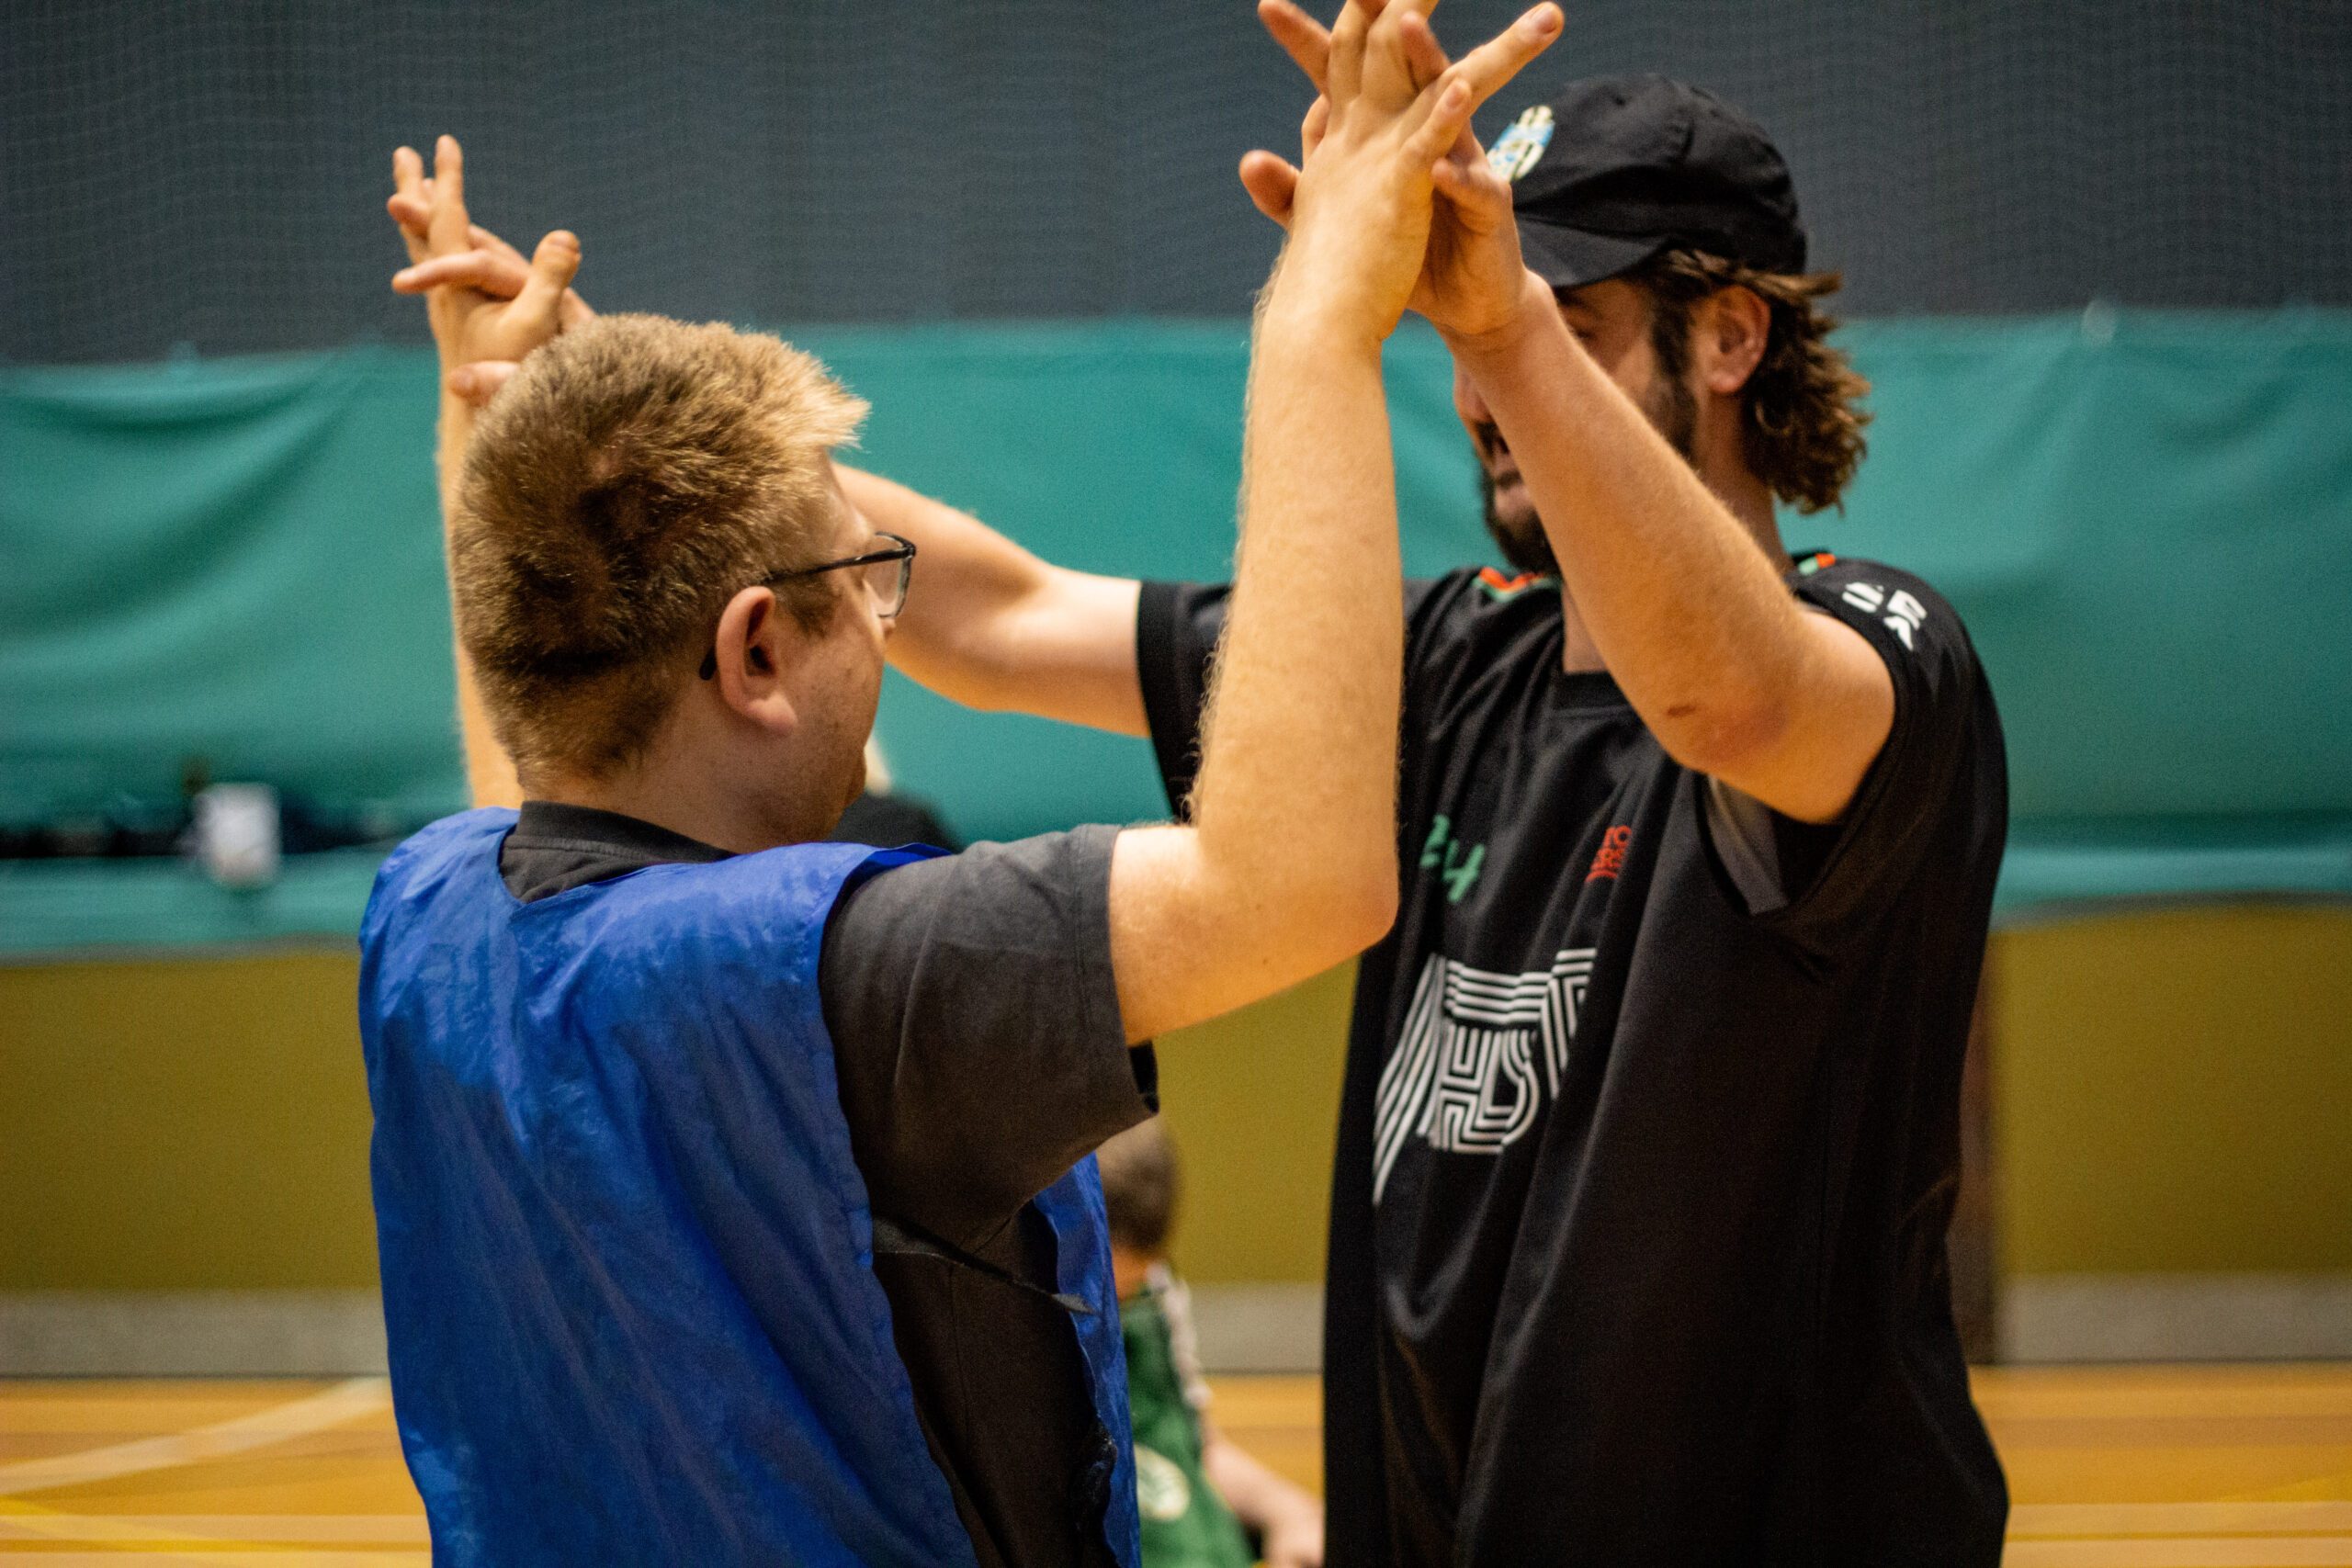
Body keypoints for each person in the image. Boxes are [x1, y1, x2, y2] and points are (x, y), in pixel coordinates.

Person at [397, 9, 2007, 1562]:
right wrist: (603, 423)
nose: (1484, 386)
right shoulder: (1450, 660)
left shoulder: (1882, 649)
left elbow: (1721, 696)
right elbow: (995, 610)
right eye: (1462, 335)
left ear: (1732, 336)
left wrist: (1487, 316)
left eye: (1563, 325)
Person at [1094, 1121, 1325, 1568]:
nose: (1125, 1302)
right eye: (1105, 1292)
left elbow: (1190, 1451)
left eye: (1132, 1287)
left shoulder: (1156, 1293)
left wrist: (1289, 1511)